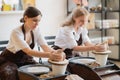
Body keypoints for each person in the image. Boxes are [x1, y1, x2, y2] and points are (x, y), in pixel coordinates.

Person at [0, 7, 64, 80]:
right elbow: (29, 51)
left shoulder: (36, 30)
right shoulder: (16, 32)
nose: (37, 24)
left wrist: (56, 53)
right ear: (26, 18)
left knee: (42, 72)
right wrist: (50, 55)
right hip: (10, 59)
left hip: (25, 59)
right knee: (10, 73)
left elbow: (45, 47)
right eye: (34, 20)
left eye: (39, 21)